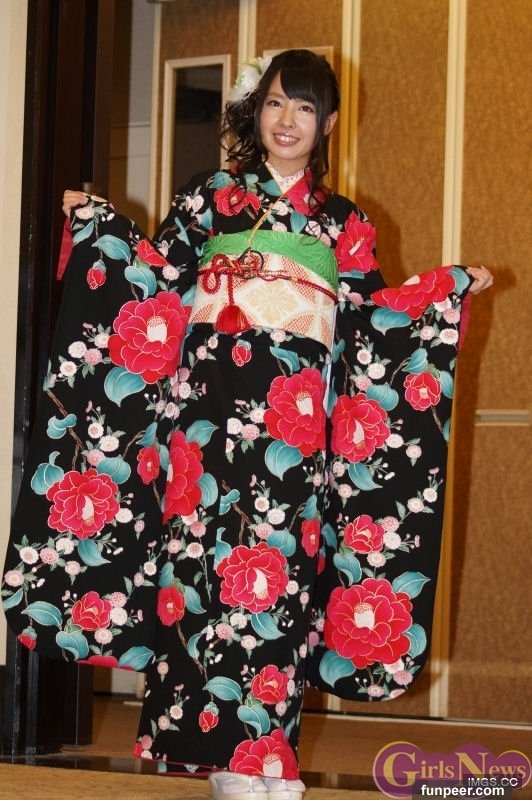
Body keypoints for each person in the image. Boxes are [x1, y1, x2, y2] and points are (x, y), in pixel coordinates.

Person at [3, 49, 492, 799]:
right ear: (255, 112)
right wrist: (97, 225)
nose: (287, 120)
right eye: (274, 103)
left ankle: (264, 750)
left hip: (294, 430)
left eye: (305, 107)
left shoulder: (345, 223)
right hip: (205, 422)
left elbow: (373, 319)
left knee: (277, 582)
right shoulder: (210, 197)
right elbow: (154, 279)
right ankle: (227, 758)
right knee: (202, 578)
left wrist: (445, 292)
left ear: (328, 123)